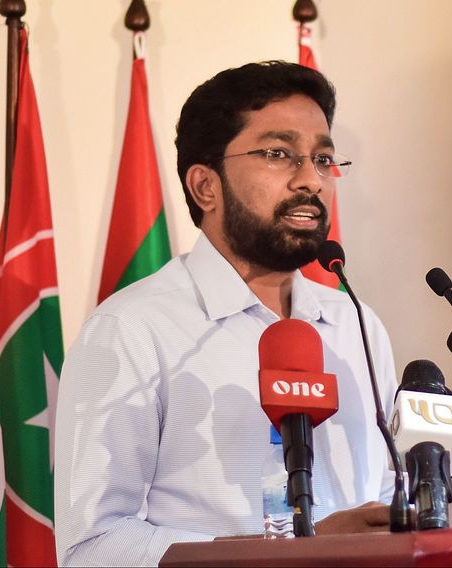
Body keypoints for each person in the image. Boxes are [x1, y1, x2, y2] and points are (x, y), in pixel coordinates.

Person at [54, 61, 397, 566]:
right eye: (278, 154)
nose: (311, 180)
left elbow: (384, 492)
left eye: (323, 159)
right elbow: (92, 548)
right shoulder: (133, 329)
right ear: (205, 186)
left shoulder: (356, 324)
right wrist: (295, 552)